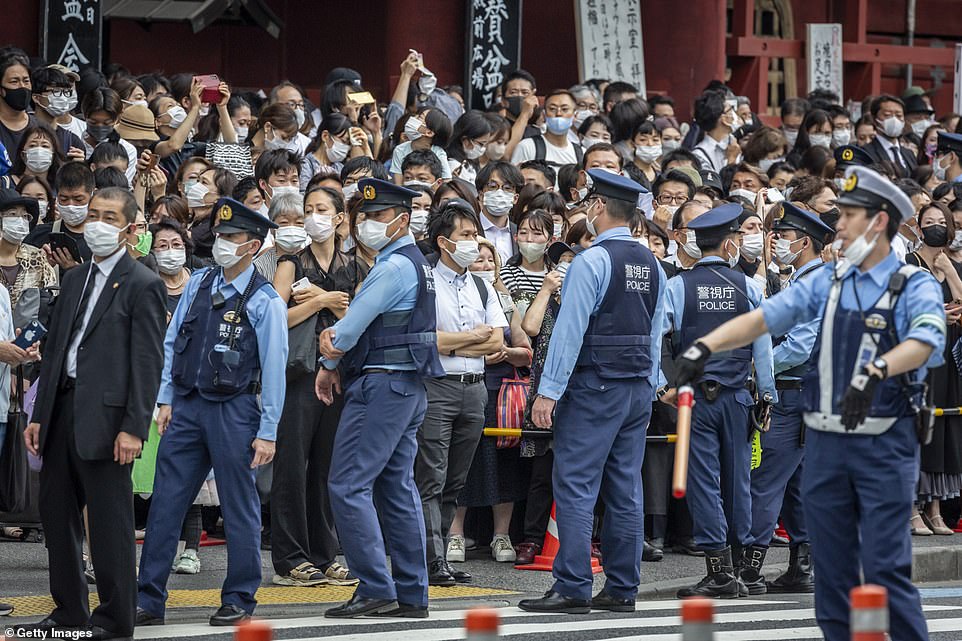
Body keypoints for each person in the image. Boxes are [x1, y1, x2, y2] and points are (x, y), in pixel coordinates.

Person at [672, 166, 944, 640]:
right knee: (833, 581)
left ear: (878, 222)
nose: (838, 226)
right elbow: (764, 319)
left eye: (850, 216)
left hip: (884, 445)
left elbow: (925, 340)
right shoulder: (828, 281)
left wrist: (877, 369)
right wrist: (704, 348)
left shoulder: (911, 284)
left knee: (885, 571)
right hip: (825, 446)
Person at [519, 169, 666, 614]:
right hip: (637, 387)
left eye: (589, 203)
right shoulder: (652, 263)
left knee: (577, 486)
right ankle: (623, 587)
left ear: (599, 207)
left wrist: (548, 393)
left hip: (592, 387)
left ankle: (573, 585)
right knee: (625, 488)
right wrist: (653, 381)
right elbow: (656, 331)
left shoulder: (591, 261)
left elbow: (568, 331)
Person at [136, 199, 286, 627]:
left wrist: (268, 430)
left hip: (235, 410)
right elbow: (171, 345)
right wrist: (165, 398)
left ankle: (239, 597)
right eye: (218, 236)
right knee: (166, 503)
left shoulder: (265, 300)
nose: (221, 243)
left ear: (252, 246)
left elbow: (274, 369)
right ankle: (149, 599)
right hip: (186, 406)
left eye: (231, 238)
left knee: (239, 506)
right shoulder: (199, 283)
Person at [24, 187, 165, 639]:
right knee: (56, 514)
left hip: (108, 420)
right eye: (93, 214)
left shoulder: (143, 283)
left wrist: (133, 428)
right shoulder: (74, 277)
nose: (98, 223)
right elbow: (57, 351)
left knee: (110, 524)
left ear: (128, 228)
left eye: (109, 216)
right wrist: (39, 415)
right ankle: (68, 611)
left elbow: (147, 363)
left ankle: (114, 618)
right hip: (63, 408)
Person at [313, 178, 443, 619]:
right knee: (396, 488)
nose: (367, 223)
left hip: (382, 385)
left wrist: (330, 356)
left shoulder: (391, 267)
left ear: (403, 220)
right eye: (363, 216)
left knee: (348, 484)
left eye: (378, 216)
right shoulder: (419, 263)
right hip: (407, 387)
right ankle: (411, 591)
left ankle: (374, 587)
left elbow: (349, 327)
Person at [661, 202, 777, 598]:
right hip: (740, 397)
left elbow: (658, 338)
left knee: (704, 483)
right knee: (739, 482)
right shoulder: (750, 287)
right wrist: (767, 395)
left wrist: (666, 385)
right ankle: (746, 572)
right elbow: (763, 347)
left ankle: (719, 572)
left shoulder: (678, 286)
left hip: (695, 400)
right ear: (730, 244)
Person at [739, 203, 833, 596]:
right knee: (797, 482)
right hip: (809, 394)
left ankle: (750, 566)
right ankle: (802, 565)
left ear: (804, 242)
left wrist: (757, 367)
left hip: (794, 392)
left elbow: (800, 346)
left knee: (766, 480)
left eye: (783, 237)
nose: (775, 243)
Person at [269, 186, 357, 588]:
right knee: (291, 466)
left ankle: (325, 555)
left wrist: (326, 298)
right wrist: (322, 302)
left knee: (326, 468)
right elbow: (275, 318)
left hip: (340, 374)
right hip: (298, 375)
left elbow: (358, 314)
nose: (313, 216)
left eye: (322, 209)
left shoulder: (353, 264)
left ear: (340, 218)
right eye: (308, 210)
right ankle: (290, 558)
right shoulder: (291, 263)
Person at [416, 201, 507, 586]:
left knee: (456, 479)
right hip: (437, 387)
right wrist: (471, 339)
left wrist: (455, 344)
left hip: (475, 390)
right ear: (444, 242)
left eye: (475, 234)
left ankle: (440, 557)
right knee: (431, 477)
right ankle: (429, 559)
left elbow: (498, 341)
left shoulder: (482, 284)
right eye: (466, 236)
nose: (474, 242)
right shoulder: (425, 281)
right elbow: (424, 340)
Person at [903, 202, 962, 536]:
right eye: (930, 221)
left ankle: (935, 507)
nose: (937, 226)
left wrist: (951, 274)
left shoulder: (953, 265)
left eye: (943, 221)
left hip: (949, 358)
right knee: (917, 430)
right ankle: (911, 508)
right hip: (920, 358)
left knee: (942, 431)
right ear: (919, 227)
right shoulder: (910, 265)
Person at [26, 161, 95, 269]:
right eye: (64, 199)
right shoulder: (38, 234)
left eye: (78, 199)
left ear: (92, 195)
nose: (70, 205)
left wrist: (77, 272)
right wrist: (40, 266)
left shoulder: (102, 239)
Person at [0, 189, 56, 309]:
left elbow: (51, 299)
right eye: (12, 214)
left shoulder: (37, 258)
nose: (20, 220)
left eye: (25, 216)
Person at [511, 90, 582, 169]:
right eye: (552, 109)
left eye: (564, 109)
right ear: (544, 114)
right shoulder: (527, 147)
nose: (558, 113)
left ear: (575, 115)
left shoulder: (581, 153)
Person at [862, 95, 916, 179]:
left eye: (899, 115)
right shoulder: (865, 152)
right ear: (874, 119)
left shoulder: (909, 154)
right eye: (887, 115)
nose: (894, 120)